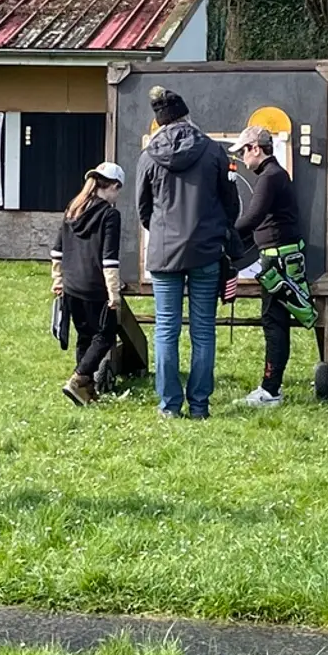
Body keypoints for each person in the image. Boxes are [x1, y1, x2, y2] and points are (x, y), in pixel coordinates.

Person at [136, 85, 238, 418]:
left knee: (166, 329)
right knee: (203, 329)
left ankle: (168, 406)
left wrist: (165, 233)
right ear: (187, 116)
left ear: (160, 123)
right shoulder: (213, 151)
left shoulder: (149, 156)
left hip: (165, 253)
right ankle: (199, 406)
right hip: (206, 251)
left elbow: (143, 209)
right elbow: (230, 203)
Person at [229, 125, 322, 408]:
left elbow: (252, 218)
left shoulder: (269, 177)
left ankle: (270, 390)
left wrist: (223, 236)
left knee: (273, 323)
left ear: (256, 148)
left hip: (278, 259)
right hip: (281, 257)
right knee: (276, 322)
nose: (243, 160)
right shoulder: (275, 174)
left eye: (244, 151)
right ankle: (272, 388)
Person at [51, 161, 126, 406]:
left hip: (72, 286)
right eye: (118, 190)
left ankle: (87, 392)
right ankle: (78, 379)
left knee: (85, 337)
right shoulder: (110, 214)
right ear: (113, 186)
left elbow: (57, 251)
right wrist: (113, 293)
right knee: (106, 335)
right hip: (95, 287)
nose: (118, 196)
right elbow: (109, 259)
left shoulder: (72, 209)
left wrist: (58, 280)